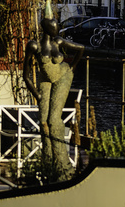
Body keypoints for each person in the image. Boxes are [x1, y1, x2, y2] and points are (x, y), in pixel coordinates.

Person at [23, 18, 84, 180]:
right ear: (46, 28)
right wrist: (37, 94)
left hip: (63, 76)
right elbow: (26, 75)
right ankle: (48, 163)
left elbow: (81, 49)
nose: (57, 28)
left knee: (54, 120)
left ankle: (63, 166)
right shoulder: (34, 46)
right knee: (43, 122)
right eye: (55, 26)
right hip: (45, 80)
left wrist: (72, 67)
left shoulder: (59, 41)